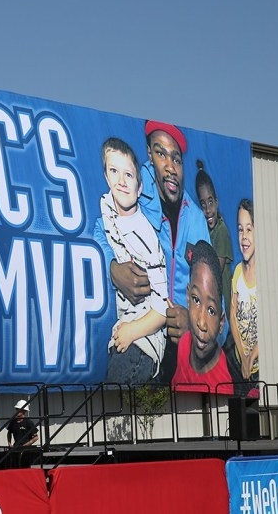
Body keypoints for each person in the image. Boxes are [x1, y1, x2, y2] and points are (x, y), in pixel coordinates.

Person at [97, 121, 211, 384]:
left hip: (175, 344)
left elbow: (215, 297)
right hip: (141, 329)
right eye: (161, 154)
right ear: (149, 154)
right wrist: (112, 268)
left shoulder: (195, 219)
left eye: (176, 159)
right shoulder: (133, 187)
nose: (170, 167)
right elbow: (98, 228)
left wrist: (194, 322)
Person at [95, 138, 168, 385]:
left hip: (143, 340)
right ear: (106, 177)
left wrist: (132, 331)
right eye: (114, 171)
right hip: (123, 331)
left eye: (128, 175)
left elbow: (163, 308)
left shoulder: (146, 237)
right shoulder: (107, 209)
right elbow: (98, 232)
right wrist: (111, 266)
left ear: (139, 187)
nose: (121, 181)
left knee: (110, 398)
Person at [171, 240, 234, 395]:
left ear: (221, 322)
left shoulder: (222, 385)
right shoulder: (184, 343)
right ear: (187, 297)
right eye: (196, 300)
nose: (201, 323)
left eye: (211, 311)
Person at [195, 160, 234, 312]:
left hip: (223, 302)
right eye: (203, 204)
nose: (208, 210)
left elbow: (215, 271)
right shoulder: (204, 231)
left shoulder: (221, 231)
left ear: (217, 203)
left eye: (210, 202)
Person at [230, 199, 258, 383]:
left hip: (259, 367)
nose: (244, 236)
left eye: (249, 229)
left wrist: (251, 357)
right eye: (240, 230)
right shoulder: (238, 272)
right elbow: (233, 315)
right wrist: (243, 356)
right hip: (239, 364)